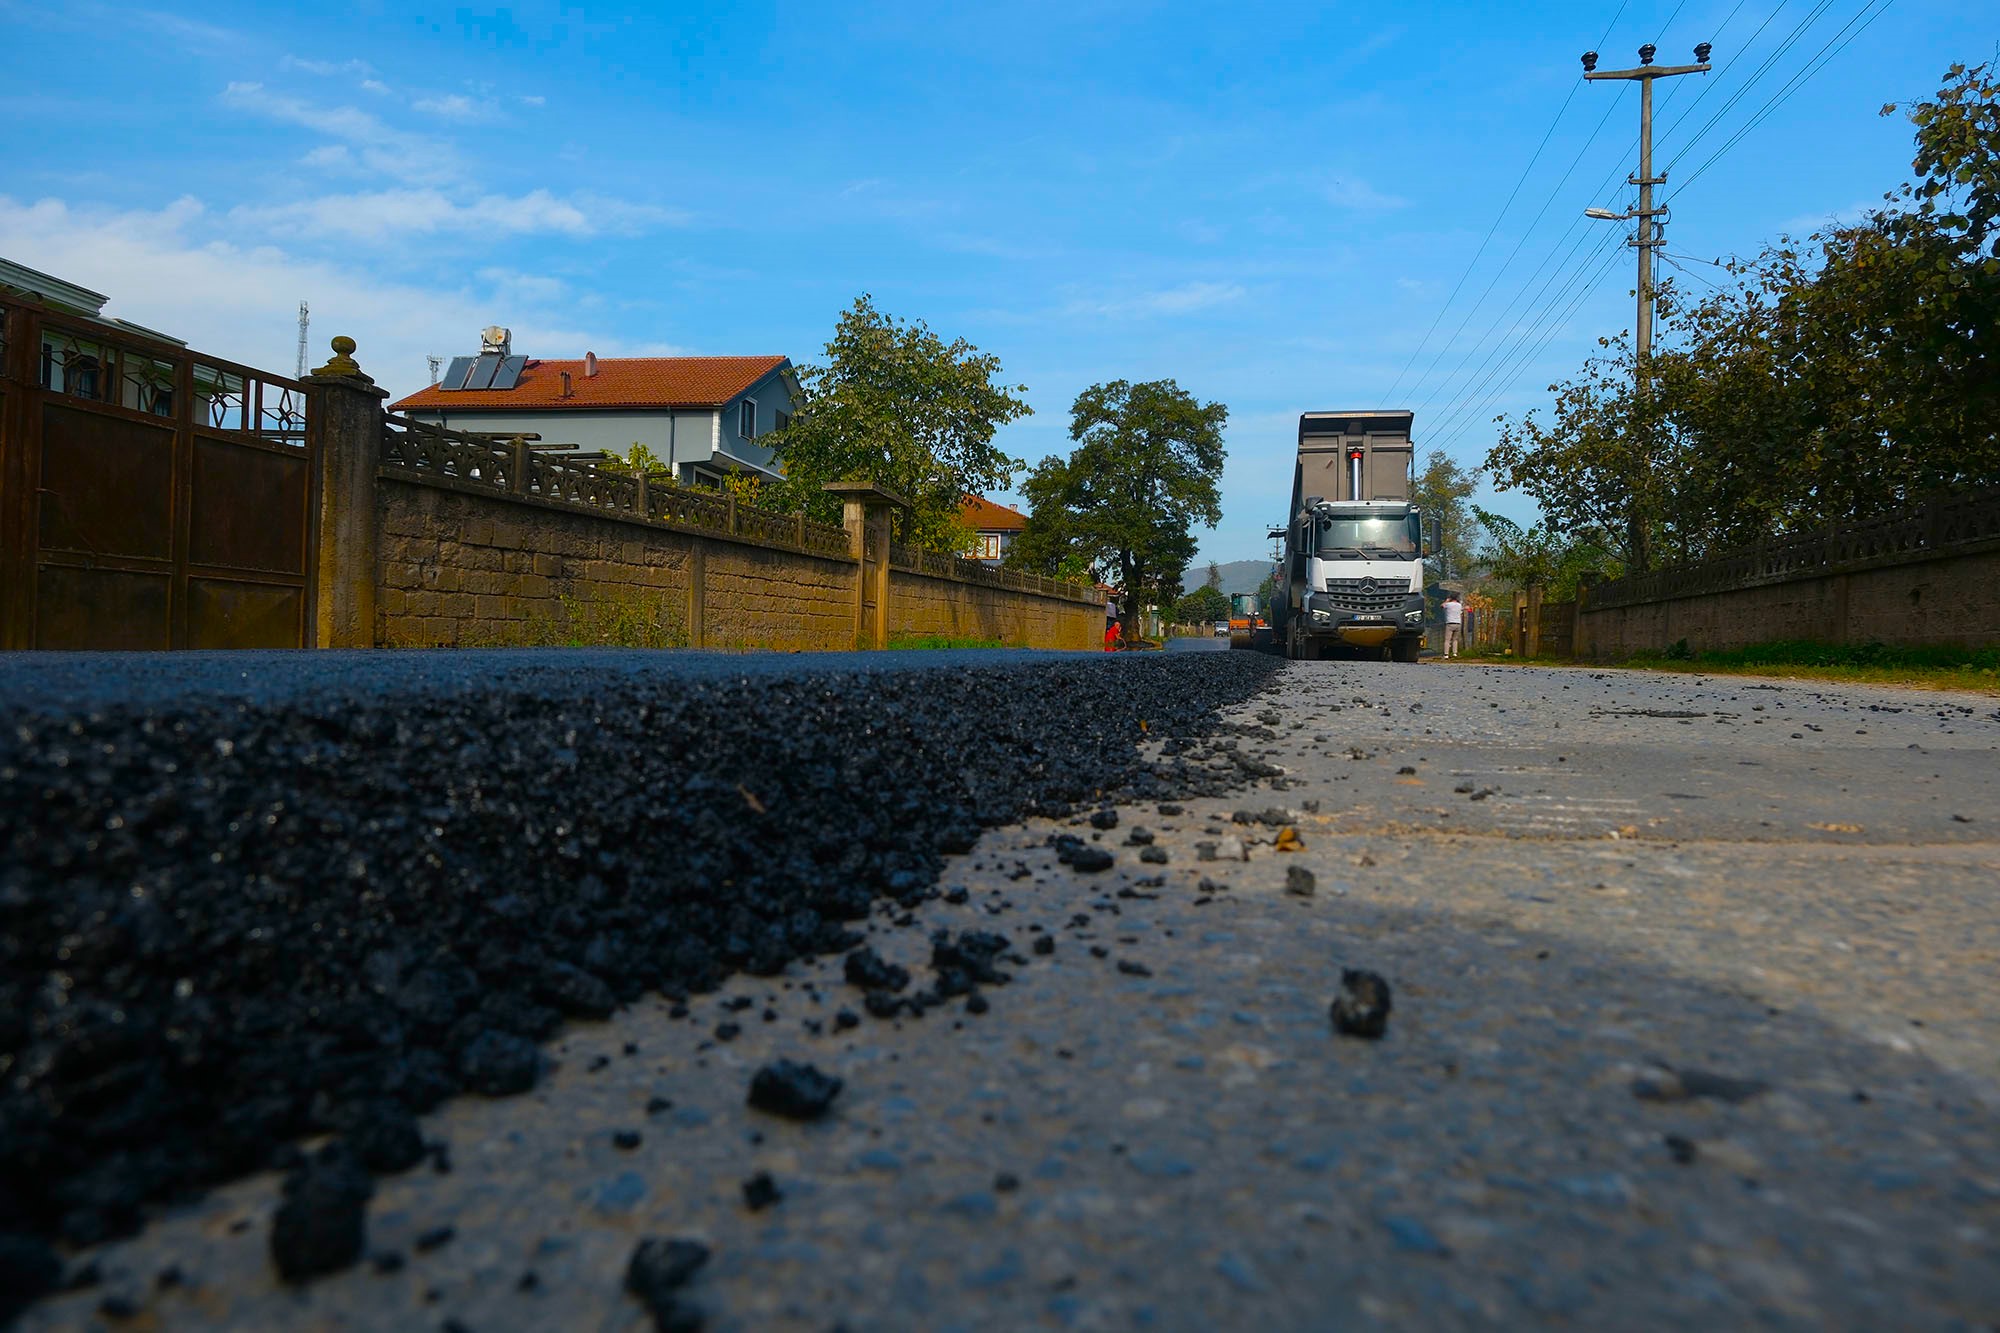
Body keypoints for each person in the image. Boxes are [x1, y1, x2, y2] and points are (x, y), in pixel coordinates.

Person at [1441, 592, 1463, 659]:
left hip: (1450, 623)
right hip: (1458, 623)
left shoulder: (1448, 604)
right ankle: (1455, 653)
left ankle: (1446, 654)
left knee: (1447, 639)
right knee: (1455, 639)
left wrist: (1446, 601)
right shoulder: (1459, 605)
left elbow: (1442, 606)